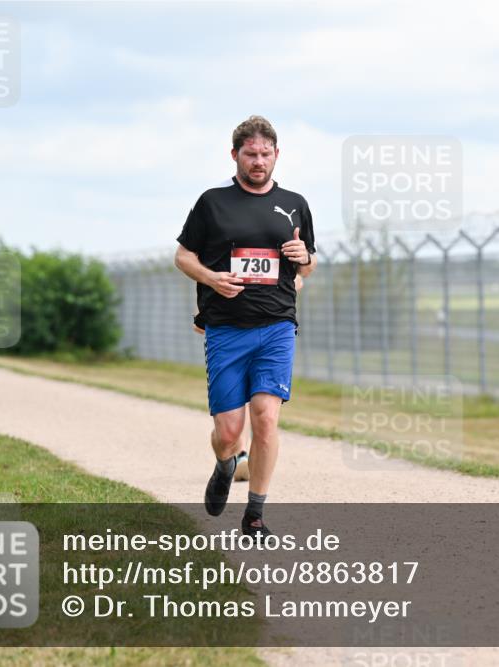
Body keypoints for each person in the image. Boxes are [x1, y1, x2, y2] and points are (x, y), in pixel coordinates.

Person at [175, 115, 316, 537]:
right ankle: (225, 463)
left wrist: (302, 257)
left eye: (265, 154)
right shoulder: (212, 203)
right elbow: (183, 256)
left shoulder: (295, 203)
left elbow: (308, 264)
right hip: (226, 329)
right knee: (229, 430)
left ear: (277, 155)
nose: (258, 161)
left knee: (266, 419)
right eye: (250, 154)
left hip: (276, 326)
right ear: (234, 154)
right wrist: (212, 278)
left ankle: (254, 515)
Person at [192, 274, 306, 483]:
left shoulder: (292, 248)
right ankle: (239, 453)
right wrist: (201, 308)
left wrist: (290, 283)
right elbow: (202, 265)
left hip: (273, 322)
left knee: (263, 406)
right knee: (237, 404)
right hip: (230, 322)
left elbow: (304, 268)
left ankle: (247, 455)